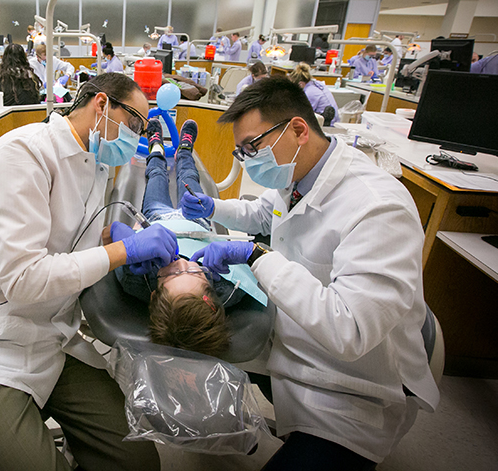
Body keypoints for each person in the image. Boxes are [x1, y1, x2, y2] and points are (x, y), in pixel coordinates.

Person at [180, 77, 439, 470]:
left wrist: (256, 255)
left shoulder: (377, 207)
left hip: (358, 386)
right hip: (297, 342)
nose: (247, 158)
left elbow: (350, 331)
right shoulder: (299, 173)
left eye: (253, 146)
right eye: (241, 150)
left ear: (298, 129)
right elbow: (265, 213)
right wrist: (213, 208)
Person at [0, 73, 171, 471]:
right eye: (136, 125)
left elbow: (66, 239)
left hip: (51, 338)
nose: (138, 138)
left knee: (138, 461)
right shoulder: (24, 153)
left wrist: (111, 235)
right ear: (102, 104)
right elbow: (23, 280)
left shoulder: (97, 164)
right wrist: (120, 251)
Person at [110, 118, 247, 357]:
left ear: (155, 293)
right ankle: (185, 149)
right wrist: (246, 253)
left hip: (156, 218)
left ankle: (155, 146)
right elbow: (257, 268)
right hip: (196, 219)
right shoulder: (228, 287)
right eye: (195, 271)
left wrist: (129, 236)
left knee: (156, 176)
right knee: (189, 177)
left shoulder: (135, 279)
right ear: (211, 293)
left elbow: (115, 237)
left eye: (172, 273)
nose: (182, 263)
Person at [288, 62, 338, 126]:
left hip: (326, 125)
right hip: (333, 121)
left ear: (300, 84)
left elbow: (303, 115)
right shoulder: (316, 84)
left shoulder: (310, 93)